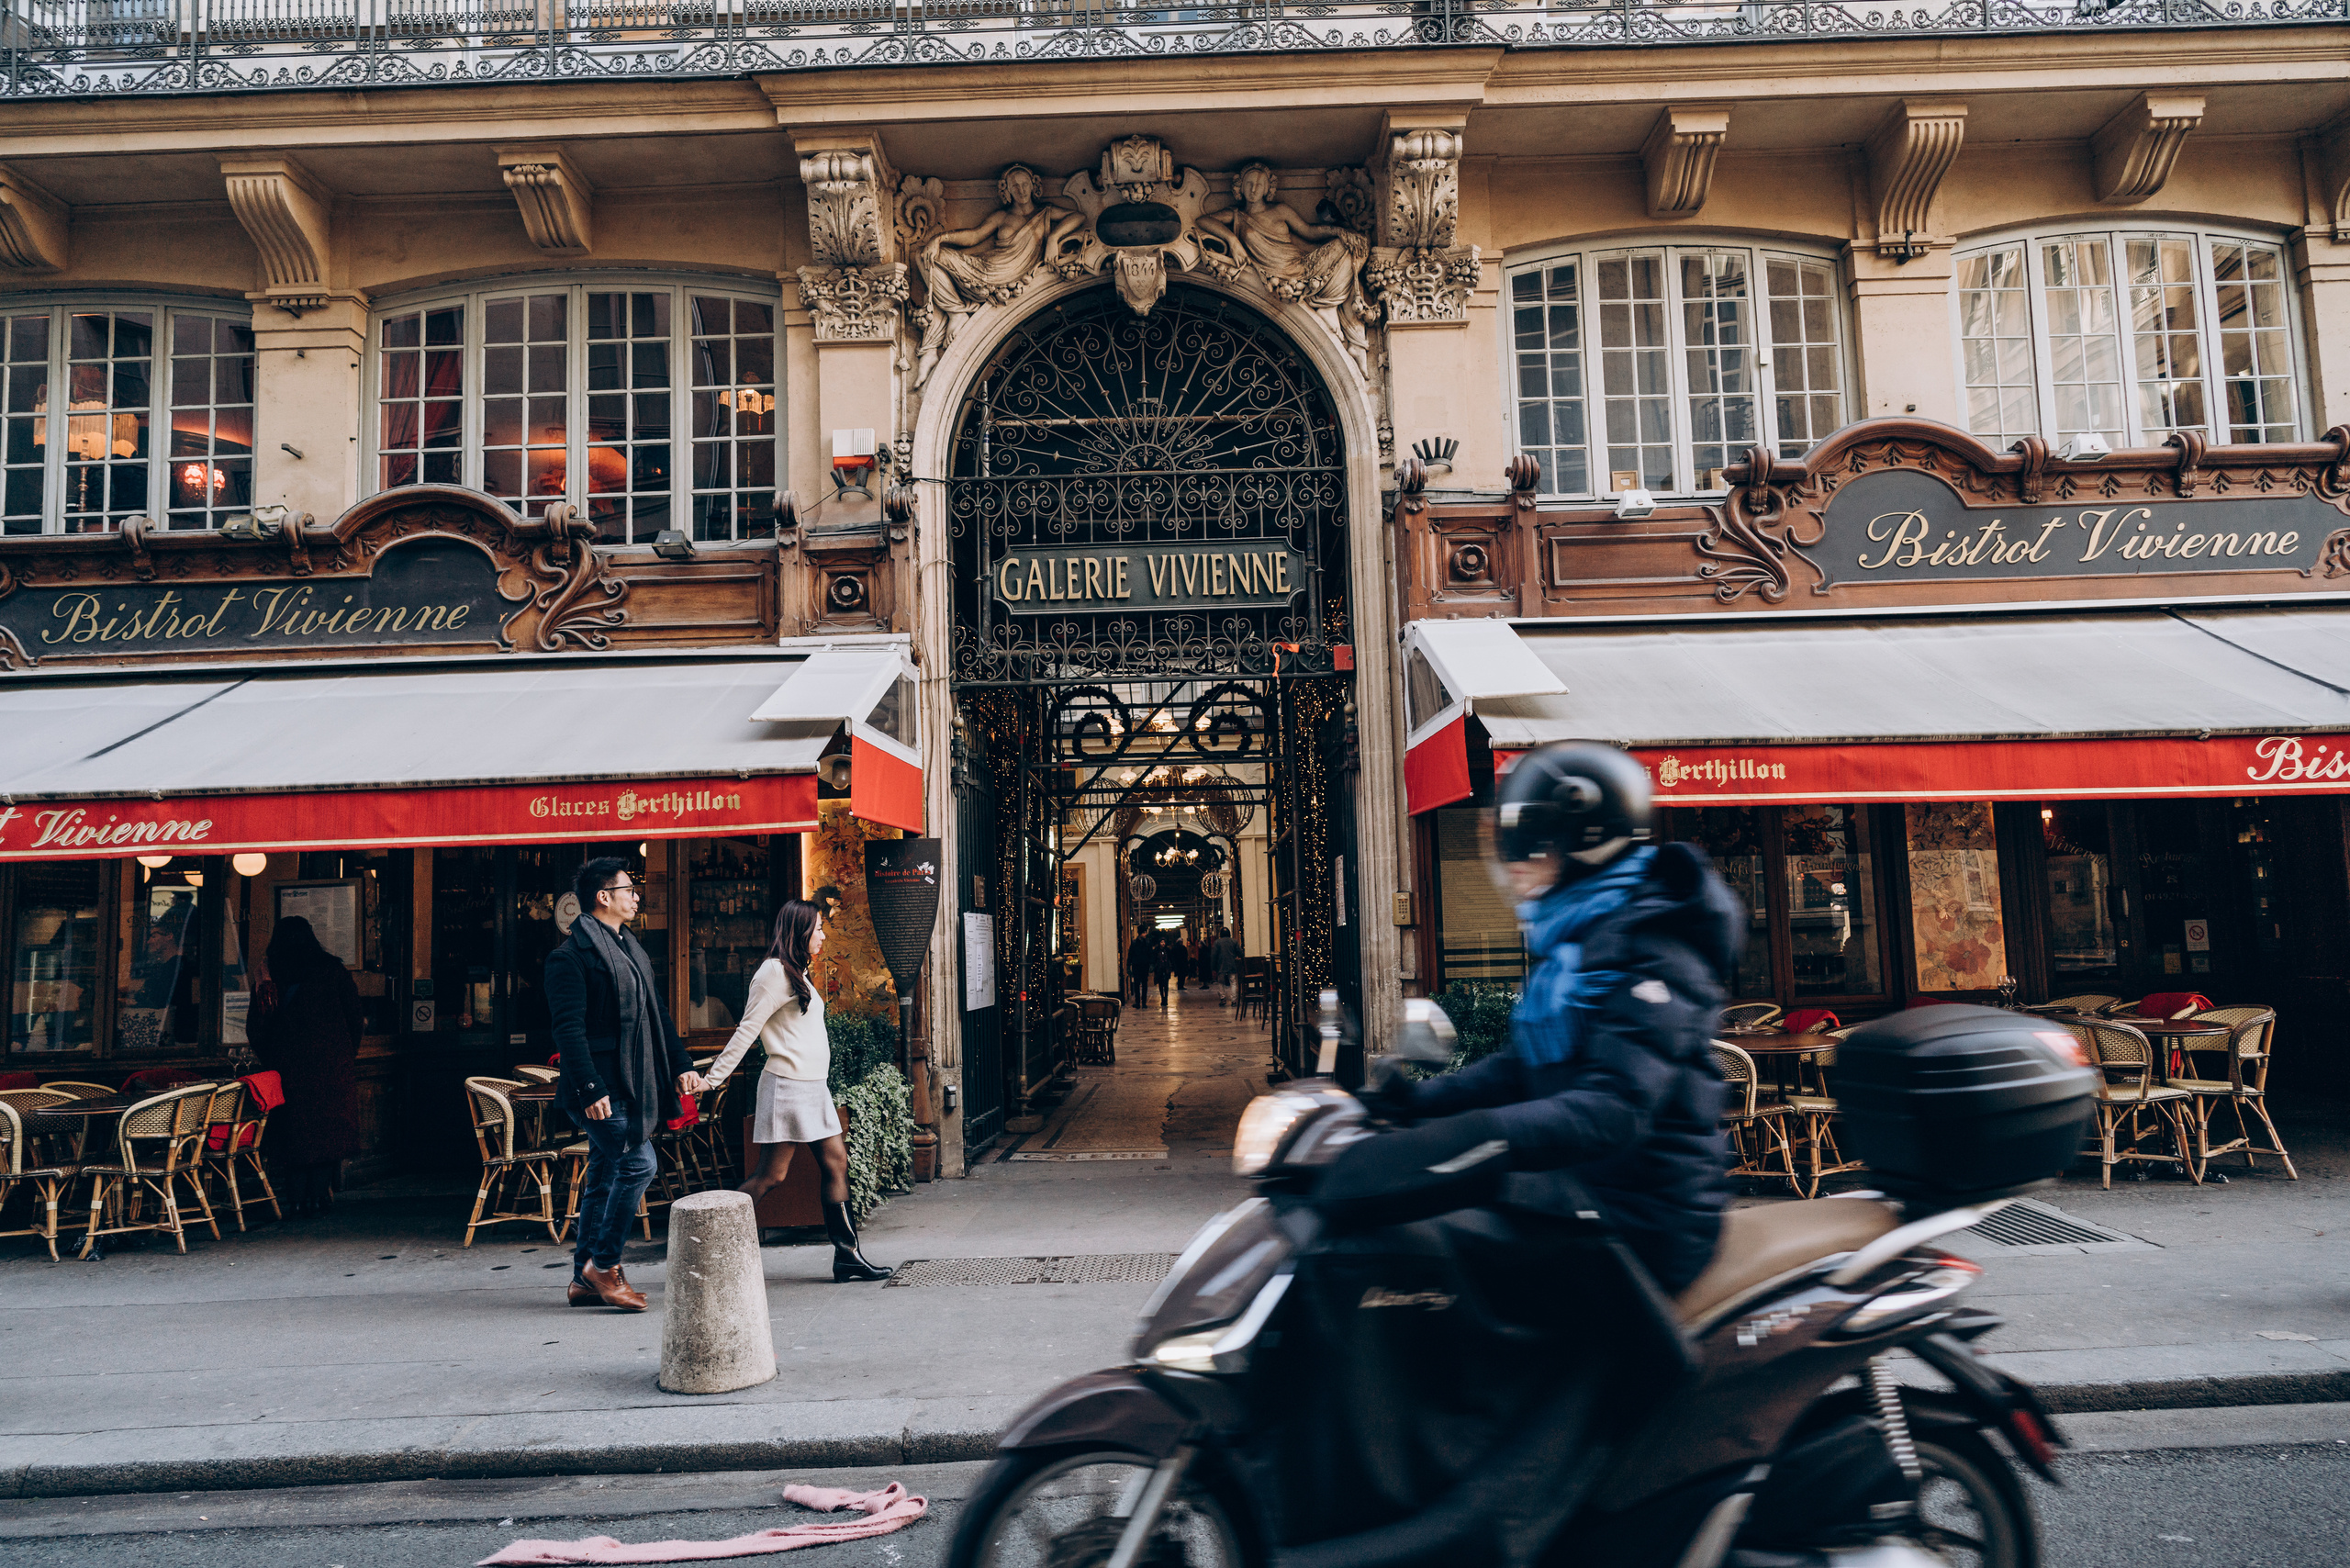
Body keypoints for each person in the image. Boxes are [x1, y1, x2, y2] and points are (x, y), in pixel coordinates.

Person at [1363, 742, 1739, 1296]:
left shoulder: (1656, 946)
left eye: (1530, 848)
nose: (1515, 867)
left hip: (1644, 1214)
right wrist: (1417, 1103)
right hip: (1577, 1191)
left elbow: (1613, 1108)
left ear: (1583, 845)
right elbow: (1523, 1068)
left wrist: (1478, 1135)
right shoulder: (1578, 939)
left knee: (1446, 1265)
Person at [699, 899, 891, 1282]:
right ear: (800, 931)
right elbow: (746, 1031)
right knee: (772, 1176)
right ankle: (709, 1243)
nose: (822, 935)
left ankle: (847, 1255)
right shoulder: (772, 973)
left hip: (811, 1087)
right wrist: (711, 1079)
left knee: (836, 1162)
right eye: (818, 928)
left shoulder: (796, 972)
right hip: (788, 1087)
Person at [546, 857, 703, 1313]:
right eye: (628, 889)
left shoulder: (631, 951)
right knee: (638, 1165)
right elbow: (568, 1031)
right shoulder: (570, 958)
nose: (636, 896)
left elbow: (659, 1016)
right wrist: (592, 1089)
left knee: (603, 1177)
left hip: (632, 1084)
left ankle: (581, 1279)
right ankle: (604, 1265)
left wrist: (680, 1064)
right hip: (598, 1089)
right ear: (603, 897)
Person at [252, 915, 362, 1217]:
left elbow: (257, 1027)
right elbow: (354, 1017)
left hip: (286, 1067)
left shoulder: (268, 973)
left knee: (293, 1135)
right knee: (327, 1133)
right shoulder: (333, 970)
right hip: (330, 1065)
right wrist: (344, 1054)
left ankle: (297, 1200)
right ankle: (319, 1198)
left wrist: (273, 1057)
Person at [1207, 925, 1241, 1008]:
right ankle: (1234, 1000)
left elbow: (1214, 955)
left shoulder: (1217, 943)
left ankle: (1223, 999)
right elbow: (1240, 953)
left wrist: (1213, 968)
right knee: (1233, 982)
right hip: (1232, 965)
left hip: (1221, 966)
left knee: (1221, 982)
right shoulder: (1234, 942)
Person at [1126, 929, 1153, 1008]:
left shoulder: (1147, 942)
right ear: (1140, 933)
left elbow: (1150, 954)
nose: (1145, 934)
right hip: (1137, 966)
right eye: (1144, 932)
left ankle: (1144, 1002)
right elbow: (1130, 954)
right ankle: (1138, 1002)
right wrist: (1129, 965)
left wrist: (1151, 964)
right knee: (1137, 984)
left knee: (1144, 984)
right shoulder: (1135, 943)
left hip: (1144, 966)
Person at [1151, 930, 1176, 1008]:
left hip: (1166, 969)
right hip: (1159, 969)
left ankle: (1166, 999)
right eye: (1162, 942)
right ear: (1159, 943)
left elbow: (1171, 958)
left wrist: (1172, 967)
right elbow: (1154, 959)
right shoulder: (1156, 950)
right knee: (1161, 985)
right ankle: (1162, 998)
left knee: (1166, 985)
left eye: (1164, 942)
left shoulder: (1168, 950)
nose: (1163, 943)